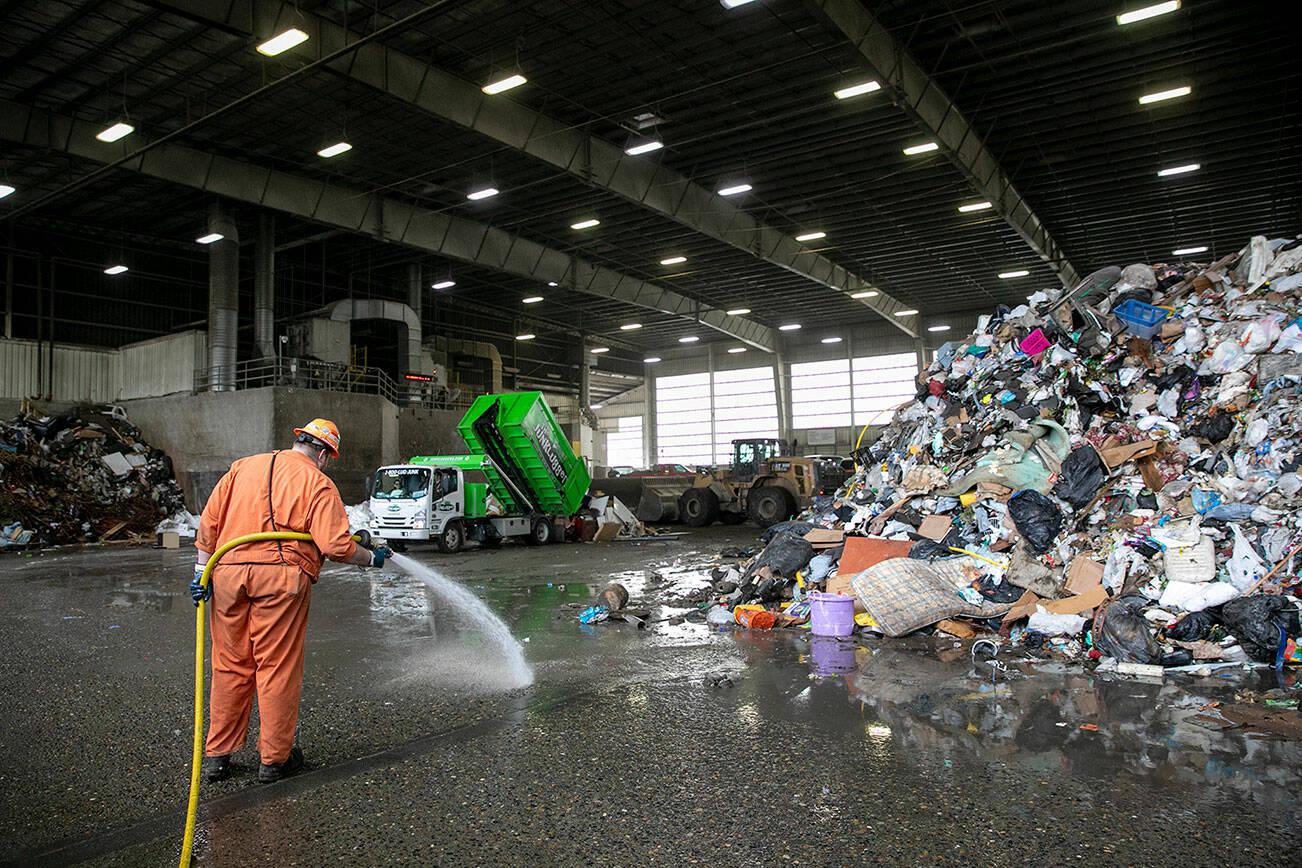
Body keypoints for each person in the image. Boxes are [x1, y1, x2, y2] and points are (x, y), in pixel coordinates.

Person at [190, 418, 391, 784]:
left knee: (230, 664)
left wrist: (199, 572)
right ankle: (274, 760)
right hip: (280, 579)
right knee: (276, 668)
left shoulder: (242, 468)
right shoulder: (317, 482)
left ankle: (218, 757)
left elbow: (209, 524)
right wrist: (370, 558)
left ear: (298, 439)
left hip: (227, 575)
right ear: (326, 454)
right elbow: (334, 545)